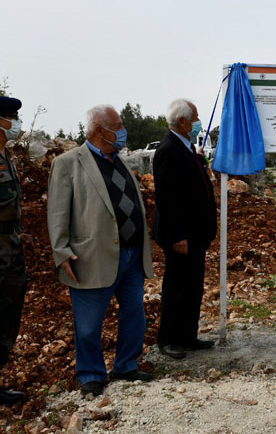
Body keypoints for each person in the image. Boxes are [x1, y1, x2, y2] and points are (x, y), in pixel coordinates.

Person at [47, 105, 154, 397]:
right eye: (117, 126)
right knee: (88, 325)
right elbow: (57, 212)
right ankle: (91, 374)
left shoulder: (119, 161)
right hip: (91, 256)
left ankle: (126, 365)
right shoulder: (68, 163)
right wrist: (61, 251)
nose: (122, 131)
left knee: (134, 314)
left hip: (131, 255)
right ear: (99, 130)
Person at [153, 99, 217, 359]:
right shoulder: (168, 150)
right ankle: (168, 339)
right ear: (182, 121)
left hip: (196, 235)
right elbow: (166, 199)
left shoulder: (186, 147)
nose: (198, 122)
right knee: (177, 287)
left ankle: (188, 336)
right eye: (195, 118)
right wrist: (177, 236)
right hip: (181, 237)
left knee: (193, 286)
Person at [0, 96, 32, 405]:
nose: (16, 124)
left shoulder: (6, 155)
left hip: (10, 247)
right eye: (11, 118)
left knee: (8, 313)